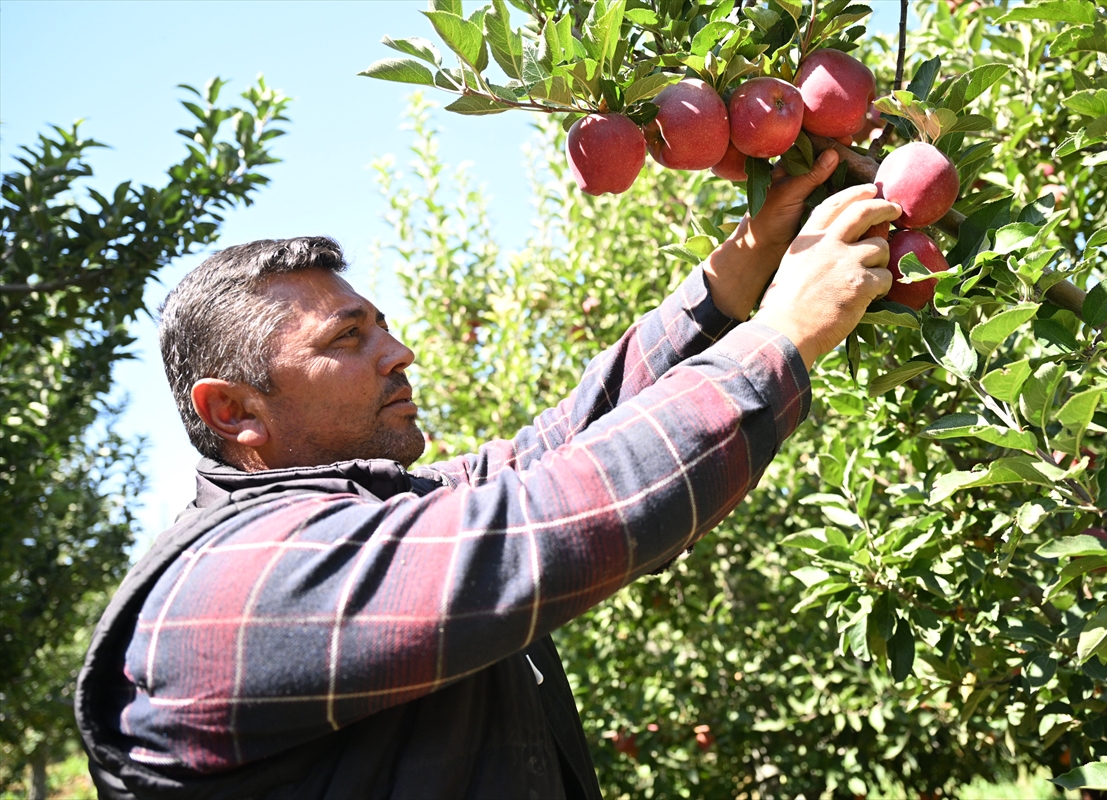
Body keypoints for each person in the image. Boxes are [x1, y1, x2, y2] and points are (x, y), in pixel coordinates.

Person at [76, 150, 900, 799]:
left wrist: (744, 266)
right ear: (233, 414)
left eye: (385, 329)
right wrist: (784, 334)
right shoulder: (230, 585)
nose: (399, 355)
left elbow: (556, 447)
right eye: (347, 340)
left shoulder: (365, 517)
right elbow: (535, 528)